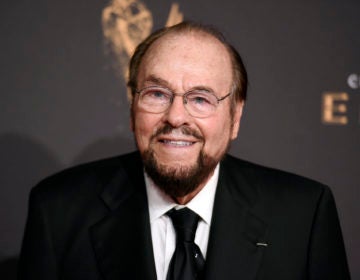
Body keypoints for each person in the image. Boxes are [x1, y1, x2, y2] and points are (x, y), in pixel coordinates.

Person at [18, 21, 350, 280]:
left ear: (235, 116)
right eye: (157, 94)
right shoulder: (58, 212)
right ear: (133, 108)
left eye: (201, 98)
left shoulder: (303, 216)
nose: (176, 116)